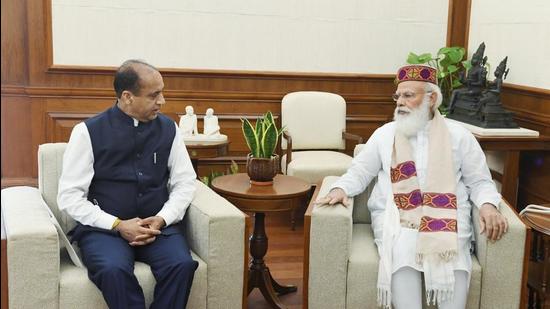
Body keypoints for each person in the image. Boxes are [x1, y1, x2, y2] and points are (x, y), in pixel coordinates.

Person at [316, 64, 508, 309]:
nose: (399, 102)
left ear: (432, 98)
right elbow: (360, 171)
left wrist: (489, 206)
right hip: (398, 215)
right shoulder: (385, 134)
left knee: (452, 247)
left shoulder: (459, 136)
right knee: (404, 242)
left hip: (447, 217)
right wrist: (340, 189)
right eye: (398, 96)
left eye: (408, 95)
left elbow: (480, 181)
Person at [57, 59, 198, 309]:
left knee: (182, 265)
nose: (162, 101)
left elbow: (185, 182)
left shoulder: (169, 129)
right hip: (104, 229)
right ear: (127, 97)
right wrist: (117, 225)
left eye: (162, 92)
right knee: (113, 270)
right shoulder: (86, 132)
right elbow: (69, 197)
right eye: (154, 95)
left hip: (156, 226)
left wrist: (163, 218)